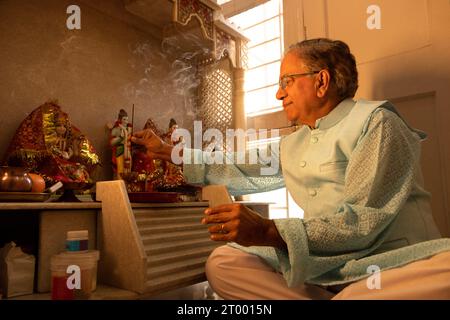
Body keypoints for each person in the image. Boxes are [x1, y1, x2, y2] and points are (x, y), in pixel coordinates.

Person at [131, 38, 450, 299]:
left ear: (321, 81)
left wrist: (270, 231)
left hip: (392, 265)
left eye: (287, 82)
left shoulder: (378, 122)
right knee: (224, 263)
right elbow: (237, 167)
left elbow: (362, 222)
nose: (278, 94)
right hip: (330, 268)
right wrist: (169, 152)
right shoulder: (295, 142)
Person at [110, 109, 132, 179]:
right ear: (120, 120)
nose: (126, 121)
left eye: (127, 119)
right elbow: (112, 142)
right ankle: (120, 183)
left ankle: (127, 184)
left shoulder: (129, 129)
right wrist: (120, 137)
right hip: (120, 151)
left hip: (128, 151)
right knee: (120, 169)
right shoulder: (116, 130)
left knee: (128, 168)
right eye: (124, 119)